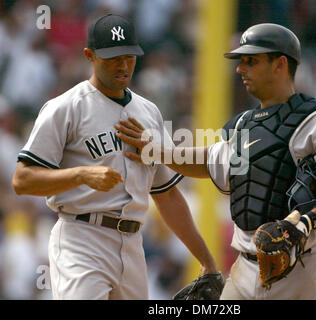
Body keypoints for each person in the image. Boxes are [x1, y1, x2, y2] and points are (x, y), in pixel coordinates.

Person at [115, 23, 316, 300]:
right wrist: (158, 151)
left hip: (305, 268)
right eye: (241, 62)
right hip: (245, 270)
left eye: (251, 61)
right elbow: (208, 162)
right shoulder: (245, 126)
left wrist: (308, 222)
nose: (240, 69)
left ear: (280, 64)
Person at [12, 14, 218, 300]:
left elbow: (167, 196)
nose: (122, 65)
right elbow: (22, 179)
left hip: (133, 244)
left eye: (128, 56)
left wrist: (207, 261)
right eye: (112, 57)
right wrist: (80, 174)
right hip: (81, 237)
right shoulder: (65, 108)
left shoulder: (149, 113)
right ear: (89, 55)